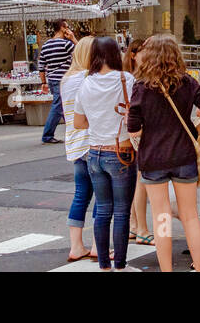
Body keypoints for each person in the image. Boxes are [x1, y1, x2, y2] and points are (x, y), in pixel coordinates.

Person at [127, 33, 200, 272]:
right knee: (189, 216)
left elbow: (133, 128)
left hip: (153, 159)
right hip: (185, 156)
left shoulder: (141, 87)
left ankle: (167, 270)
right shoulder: (187, 82)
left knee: (162, 217)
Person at [74, 37, 139, 271]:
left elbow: (79, 123)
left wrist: (98, 118)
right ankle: (120, 265)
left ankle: (103, 265)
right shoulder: (126, 80)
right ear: (116, 54)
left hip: (94, 153)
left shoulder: (86, 83)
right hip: (121, 152)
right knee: (121, 211)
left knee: (102, 210)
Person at [60, 35, 96, 263]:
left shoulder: (67, 78)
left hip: (75, 142)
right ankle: (97, 247)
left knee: (81, 194)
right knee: (103, 197)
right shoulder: (88, 78)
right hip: (91, 140)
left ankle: (76, 246)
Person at [122, 39, 153, 246]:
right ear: (134, 54)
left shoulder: (132, 77)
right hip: (136, 131)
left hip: (133, 131)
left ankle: (135, 225)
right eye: (144, 51)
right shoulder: (133, 79)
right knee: (140, 179)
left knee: (137, 178)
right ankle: (140, 227)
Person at [38, 20, 76, 144]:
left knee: (63, 105)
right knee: (58, 106)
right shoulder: (66, 44)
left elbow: (41, 65)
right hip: (64, 79)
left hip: (52, 79)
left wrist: (43, 82)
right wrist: (73, 38)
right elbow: (82, 52)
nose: (69, 29)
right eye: (67, 26)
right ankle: (47, 135)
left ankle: (73, 131)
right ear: (62, 28)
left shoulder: (46, 45)